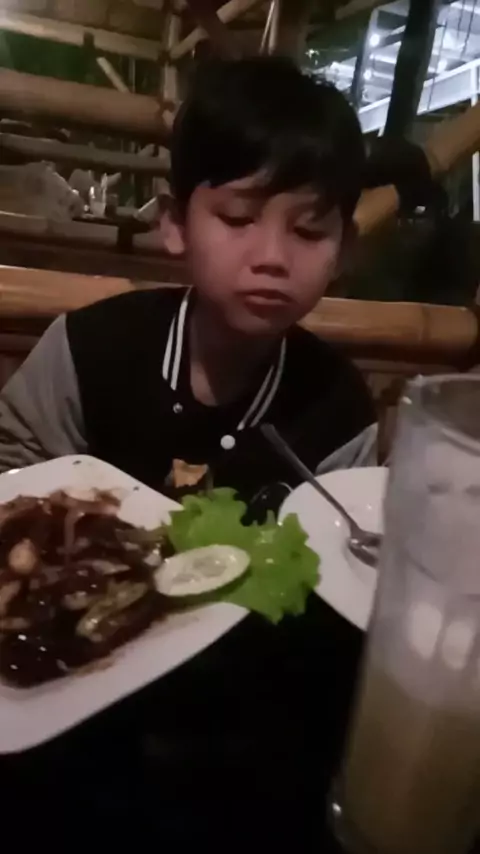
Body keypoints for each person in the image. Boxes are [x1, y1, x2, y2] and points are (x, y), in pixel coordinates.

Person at [0, 56, 376, 502]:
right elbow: (12, 473)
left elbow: (345, 533)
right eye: (237, 218)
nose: (273, 258)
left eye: (308, 230)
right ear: (176, 224)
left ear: (344, 250)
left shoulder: (340, 410)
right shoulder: (83, 352)